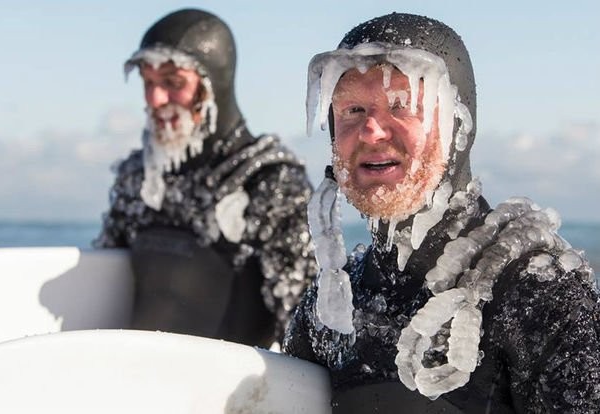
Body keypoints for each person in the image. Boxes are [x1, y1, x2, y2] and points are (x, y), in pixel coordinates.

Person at [283, 12, 600, 413]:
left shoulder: (536, 294)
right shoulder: (334, 301)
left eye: (401, 104)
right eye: (353, 110)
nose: (371, 131)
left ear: (459, 125)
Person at [94, 9, 317, 348]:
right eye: (148, 82)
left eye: (173, 82)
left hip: (227, 394)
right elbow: (101, 282)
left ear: (215, 83)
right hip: (136, 380)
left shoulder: (268, 182)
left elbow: (304, 324)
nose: (155, 99)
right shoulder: (139, 177)